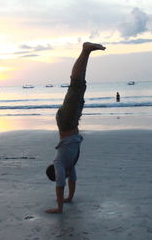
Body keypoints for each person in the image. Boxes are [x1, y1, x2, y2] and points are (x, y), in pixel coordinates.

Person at [45, 42, 106, 214]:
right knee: (81, 86)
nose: (62, 177)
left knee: (76, 85)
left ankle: (85, 50)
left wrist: (59, 207)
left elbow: (60, 185)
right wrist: (69, 198)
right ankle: (86, 52)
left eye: (59, 176)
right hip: (72, 123)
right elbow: (72, 181)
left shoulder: (59, 163)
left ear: (57, 172)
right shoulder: (69, 165)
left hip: (66, 122)